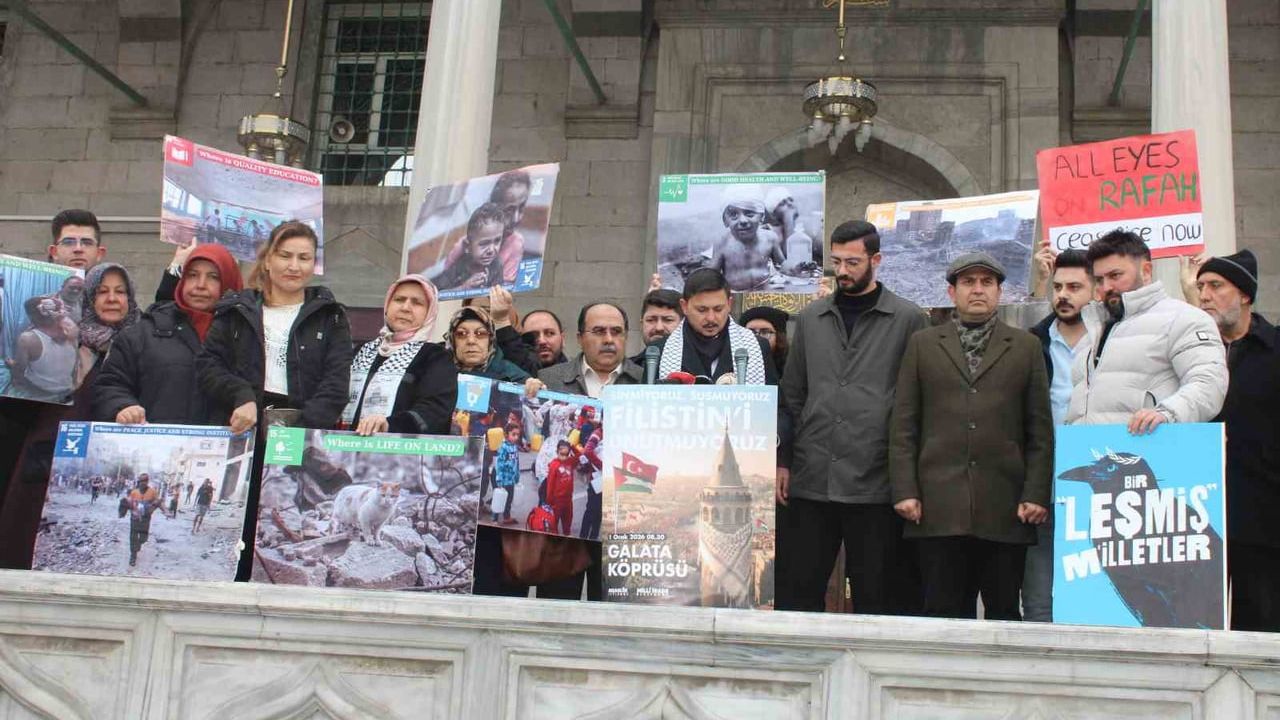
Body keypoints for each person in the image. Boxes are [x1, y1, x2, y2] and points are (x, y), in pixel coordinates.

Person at [889, 252, 1053, 620]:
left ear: (999, 291)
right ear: (952, 291)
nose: (977, 290)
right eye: (968, 283)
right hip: (936, 507)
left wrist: (1035, 493)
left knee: (1005, 613)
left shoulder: (1025, 346)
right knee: (943, 614)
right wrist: (905, 490)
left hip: (1006, 507)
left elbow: (1039, 428)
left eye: (986, 283)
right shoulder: (923, 345)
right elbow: (904, 424)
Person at [776, 220, 927, 614]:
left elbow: (916, 403)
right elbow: (793, 395)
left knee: (876, 596)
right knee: (798, 592)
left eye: (853, 262)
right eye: (837, 261)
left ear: (876, 260)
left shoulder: (909, 319)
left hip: (876, 483)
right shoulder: (810, 320)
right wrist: (784, 461)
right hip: (812, 479)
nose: (842, 271)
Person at [198, 220, 352, 581]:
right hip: (244, 426)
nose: (294, 266)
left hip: (299, 430)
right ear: (267, 259)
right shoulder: (236, 311)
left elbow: (335, 383)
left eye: (304, 258)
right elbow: (207, 365)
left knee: (288, 516)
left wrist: (297, 432)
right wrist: (241, 396)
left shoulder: (330, 316)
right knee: (235, 525)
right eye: (285, 256)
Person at [1190, 250, 1279, 632]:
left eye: (1215, 286)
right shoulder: (1191, 351)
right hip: (1199, 515)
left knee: (1261, 622)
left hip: (1263, 516)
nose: (1204, 295)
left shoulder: (1273, 349)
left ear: (1244, 294)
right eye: (1199, 287)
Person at [1065, 230, 1227, 430]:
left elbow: (1209, 384)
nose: (1106, 286)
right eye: (1099, 280)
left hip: (1151, 455)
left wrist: (1167, 414)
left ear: (1146, 271)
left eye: (1115, 275)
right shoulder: (1092, 332)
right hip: (1090, 455)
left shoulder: (1184, 319)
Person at [1021, 248, 1094, 623]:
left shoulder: (1111, 339)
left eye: (1075, 287)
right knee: (1037, 602)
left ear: (1096, 290)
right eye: (1059, 286)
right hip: (1045, 488)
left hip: (1099, 490)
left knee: (1096, 599)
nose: (1064, 294)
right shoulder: (1034, 341)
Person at [94, 244, 244, 425]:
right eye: (192, 275)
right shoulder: (142, 333)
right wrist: (122, 407)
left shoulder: (246, 335)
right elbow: (110, 384)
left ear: (229, 281)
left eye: (213, 277)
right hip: (154, 449)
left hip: (226, 449)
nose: (200, 285)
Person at [342, 274, 457, 436]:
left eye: (417, 303)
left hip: (400, 456)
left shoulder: (435, 358)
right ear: (387, 306)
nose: (405, 307)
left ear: (430, 312)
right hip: (343, 450)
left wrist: (390, 425)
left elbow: (434, 410)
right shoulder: (362, 352)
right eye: (399, 299)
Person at [650, 268, 778, 385]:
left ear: (729, 304)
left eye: (718, 309)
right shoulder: (660, 351)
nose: (711, 318)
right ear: (684, 306)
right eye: (702, 310)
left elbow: (775, 406)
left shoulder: (756, 347)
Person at [444, 170, 532, 283]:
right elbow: (445, 284)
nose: (516, 219)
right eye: (509, 210)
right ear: (495, 207)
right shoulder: (465, 245)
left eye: (521, 208)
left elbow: (505, 286)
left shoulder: (515, 243)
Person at [709, 187, 786, 292]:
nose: (743, 220)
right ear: (725, 221)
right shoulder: (723, 242)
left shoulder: (770, 238)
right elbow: (712, 275)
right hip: (736, 294)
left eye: (750, 213)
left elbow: (782, 265)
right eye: (733, 215)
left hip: (764, 291)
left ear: (762, 217)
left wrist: (796, 267)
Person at [7, 296, 78, 402]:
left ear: (31, 316)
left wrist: (12, 365)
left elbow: (18, 373)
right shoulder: (73, 333)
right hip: (67, 390)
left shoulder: (27, 338)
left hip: (40, 392)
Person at [434, 203, 506, 292]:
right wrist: (464, 288)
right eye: (484, 243)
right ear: (468, 246)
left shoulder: (496, 265)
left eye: (497, 241)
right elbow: (438, 293)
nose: (491, 250)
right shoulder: (459, 267)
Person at [629, 288, 683, 367]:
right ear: (641, 324)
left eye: (668, 320)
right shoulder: (627, 371)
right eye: (651, 320)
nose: (659, 328)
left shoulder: (697, 371)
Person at [740, 306, 790, 375]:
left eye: (765, 333)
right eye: (751, 332)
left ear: (778, 338)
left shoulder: (791, 370)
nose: (758, 338)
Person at [126, 474, 160, 567]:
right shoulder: (134, 492)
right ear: (139, 482)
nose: (142, 483)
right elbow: (129, 503)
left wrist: (155, 508)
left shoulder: (152, 492)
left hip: (145, 519)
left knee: (143, 538)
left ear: (147, 481)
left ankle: (138, 545)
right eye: (141, 481)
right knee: (133, 537)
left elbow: (157, 503)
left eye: (144, 481)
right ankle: (133, 556)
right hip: (134, 519)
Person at [492, 424, 522, 524]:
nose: (516, 437)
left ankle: (506, 517)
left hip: (511, 479)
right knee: (499, 498)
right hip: (503, 479)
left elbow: (517, 462)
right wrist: (499, 479)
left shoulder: (515, 447)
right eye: (513, 434)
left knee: (509, 499)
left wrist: (517, 475)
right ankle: (495, 519)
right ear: (506, 434)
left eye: (518, 435)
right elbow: (499, 465)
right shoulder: (503, 447)